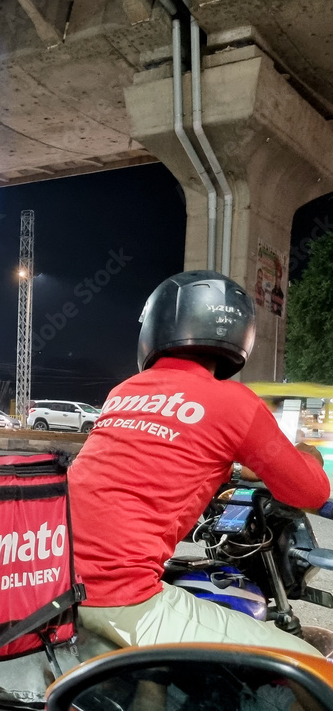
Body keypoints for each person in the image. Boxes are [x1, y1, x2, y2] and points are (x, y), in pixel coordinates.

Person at [69, 271, 330, 656]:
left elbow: (162, 457)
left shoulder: (123, 392)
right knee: (306, 662)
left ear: (155, 328)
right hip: (117, 595)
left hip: (55, 581)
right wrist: (310, 455)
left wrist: (232, 469)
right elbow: (311, 491)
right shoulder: (234, 401)